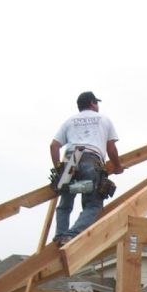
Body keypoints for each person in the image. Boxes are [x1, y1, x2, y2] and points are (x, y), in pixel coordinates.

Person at [50, 91, 123, 245]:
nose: (98, 106)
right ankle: (71, 235)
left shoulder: (70, 121)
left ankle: (60, 234)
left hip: (71, 160)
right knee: (93, 204)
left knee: (66, 197)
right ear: (92, 103)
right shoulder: (104, 120)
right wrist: (117, 166)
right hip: (90, 160)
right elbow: (111, 149)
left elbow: (54, 146)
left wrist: (58, 169)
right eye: (97, 103)